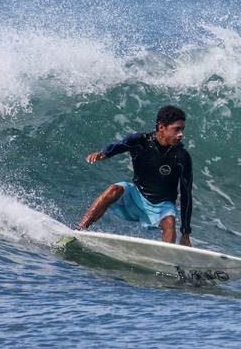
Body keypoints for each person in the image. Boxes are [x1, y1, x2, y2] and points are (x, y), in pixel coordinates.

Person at [78, 105, 193, 246]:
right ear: (162, 128)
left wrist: (185, 234)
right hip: (136, 195)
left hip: (162, 205)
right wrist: (104, 153)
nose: (181, 134)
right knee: (114, 189)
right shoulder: (140, 141)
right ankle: (79, 231)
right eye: (176, 129)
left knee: (169, 221)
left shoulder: (182, 157)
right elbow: (117, 146)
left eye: (182, 129)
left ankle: (167, 256)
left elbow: (186, 194)